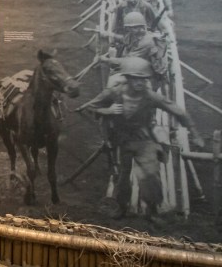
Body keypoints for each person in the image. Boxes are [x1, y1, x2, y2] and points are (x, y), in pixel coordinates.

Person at [79, 57, 203, 222]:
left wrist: (194, 132)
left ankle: (151, 211)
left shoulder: (150, 96)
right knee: (122, 177)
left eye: (144, 79)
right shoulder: (113, 92)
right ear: (127, 78)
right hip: (121, 141)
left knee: (151, 173)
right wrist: (107, 111)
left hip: (144, 140)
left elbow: (178, 111)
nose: (140, 82)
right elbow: (89, 107)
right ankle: (122, 208)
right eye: (136, 78)